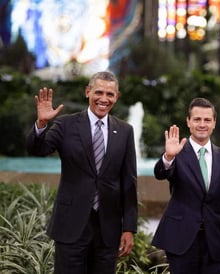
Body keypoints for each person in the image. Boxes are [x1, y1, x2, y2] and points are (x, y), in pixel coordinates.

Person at [26, 71, 138, 274]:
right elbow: (38, 150)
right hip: (71, 226)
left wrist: (129, 228)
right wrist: (41, 124)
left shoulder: (125, 131)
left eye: (110, 94)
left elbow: (129, 183)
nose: (104, 99)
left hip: (108, 229)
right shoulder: (65, 124)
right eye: (99, 92)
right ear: (88, 92)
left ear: (117, 97)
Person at [151, 97, 220, 273]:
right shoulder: (176, 152)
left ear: (214, 123)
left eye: (207, 120)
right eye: (197, 119)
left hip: (216, 242)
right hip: (181, 239)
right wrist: (169, 157)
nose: (202, 124)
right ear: (188, 121)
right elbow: (160, 173)